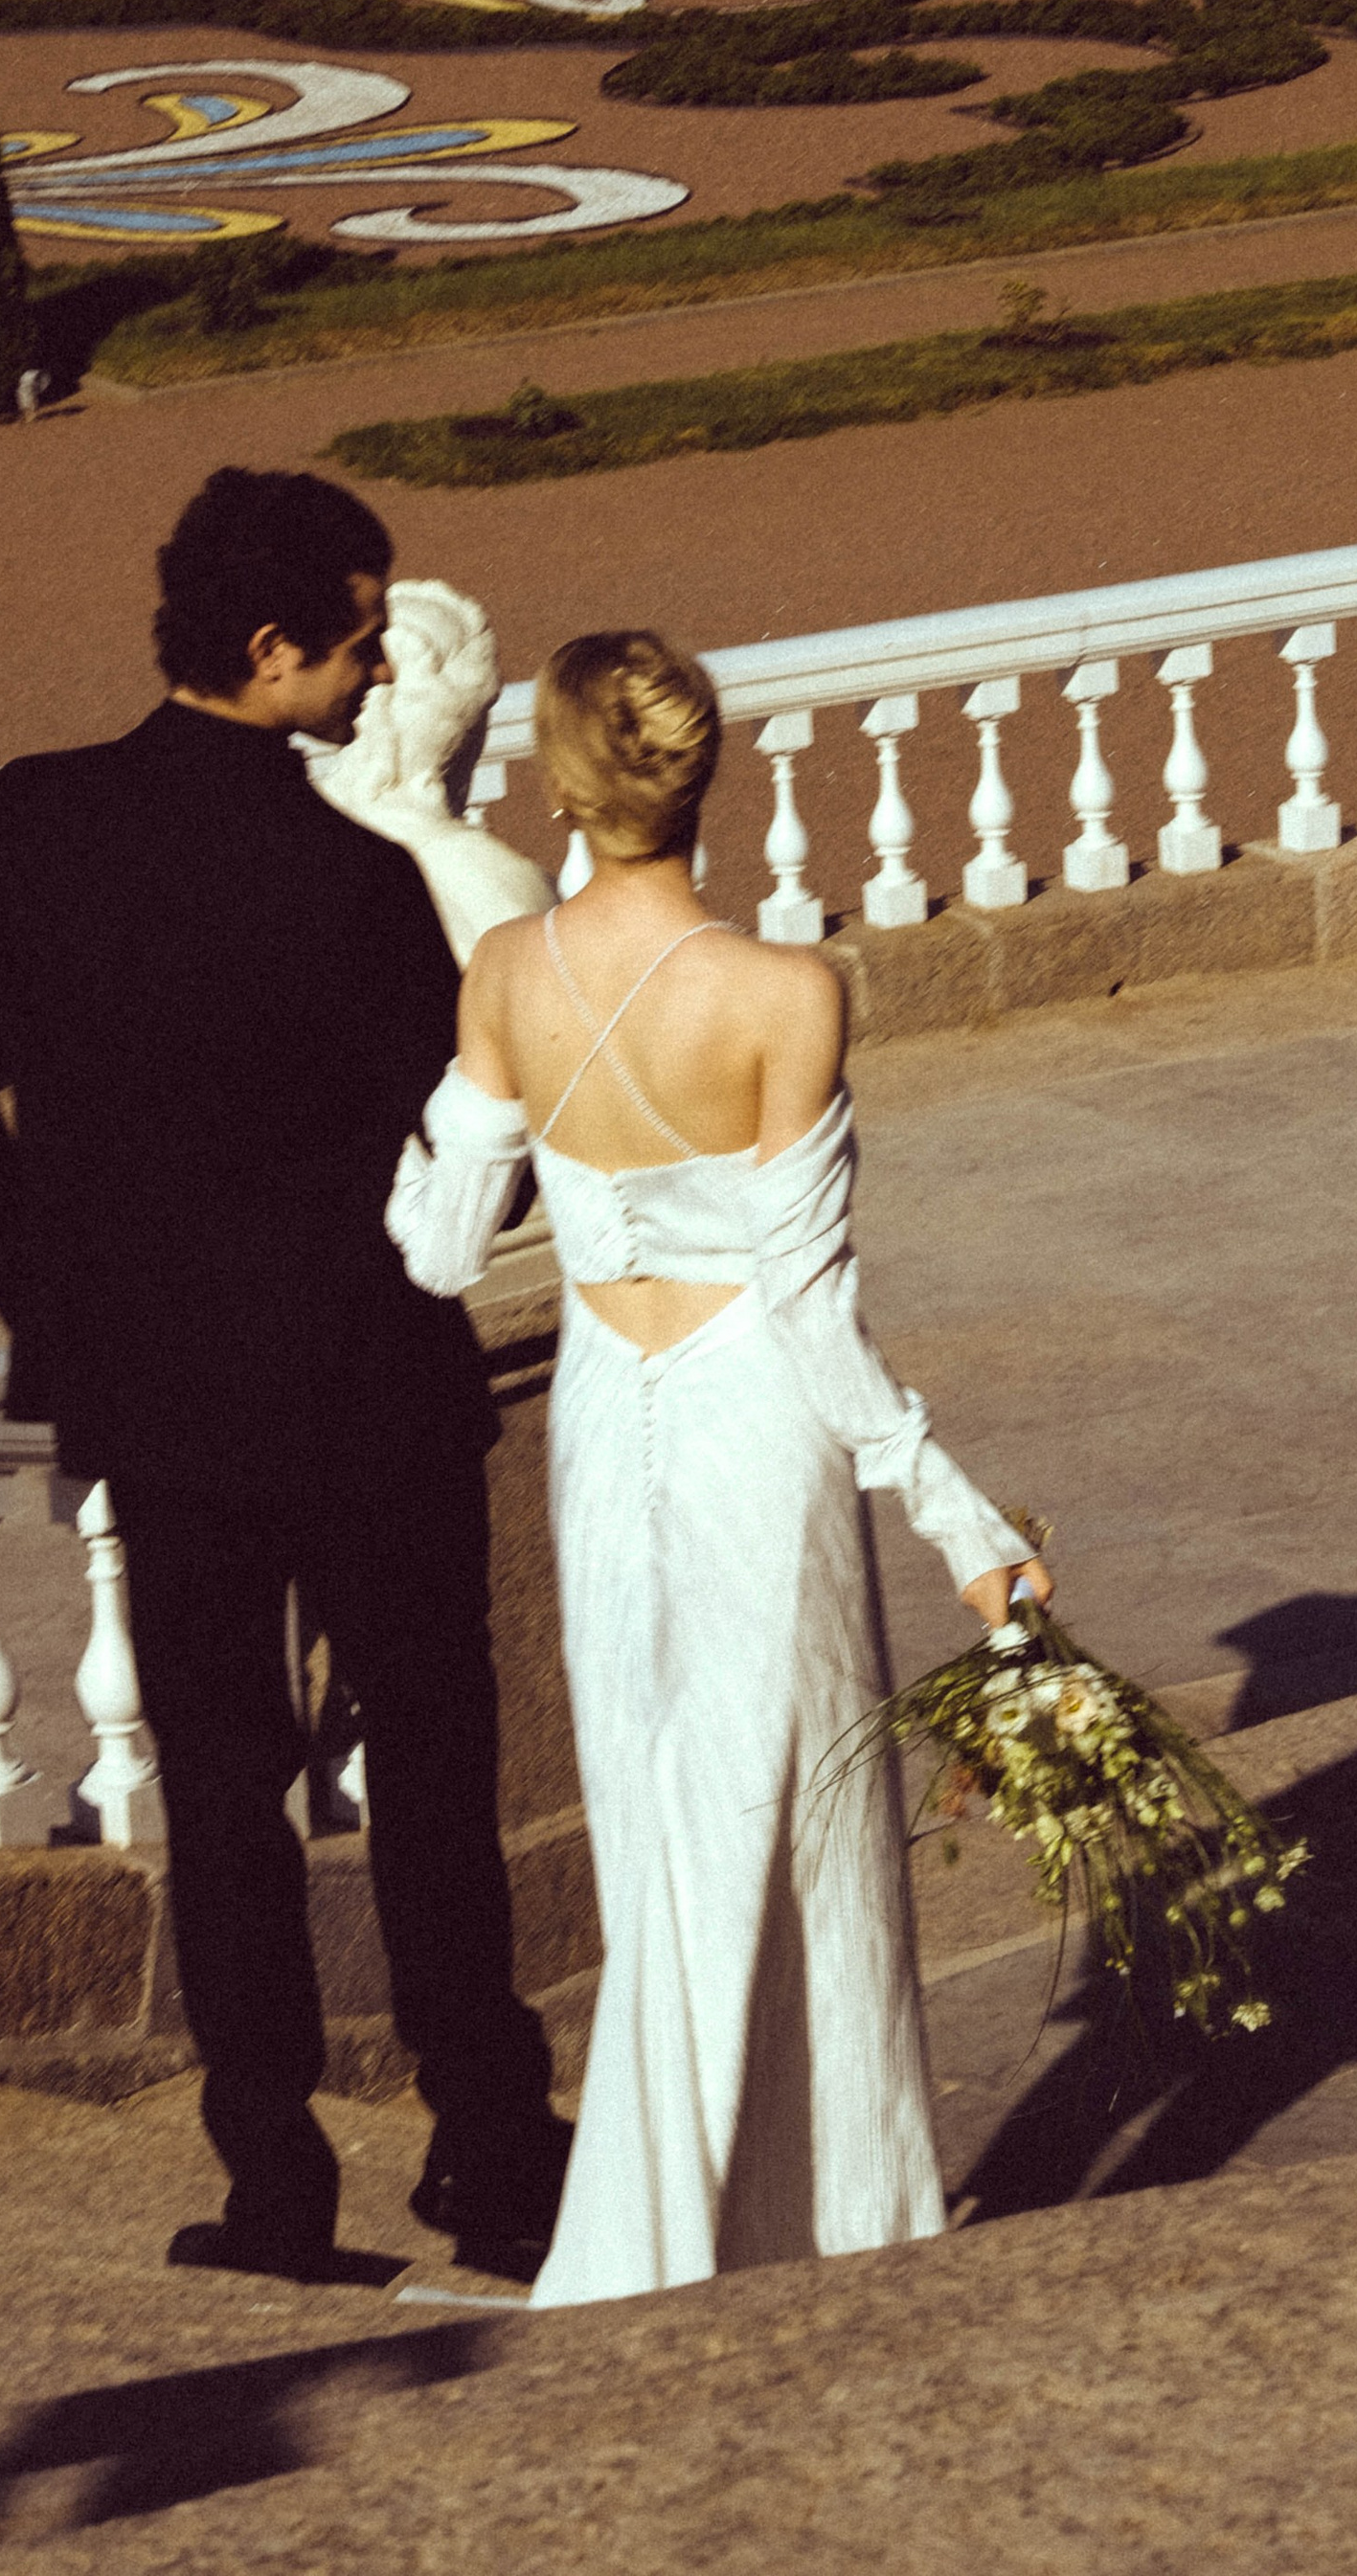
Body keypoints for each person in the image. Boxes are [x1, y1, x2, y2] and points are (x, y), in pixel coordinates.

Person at [0, 466, 567, 2286]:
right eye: (352, 648)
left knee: (220, 1793)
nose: (369, 684)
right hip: (371, 1384)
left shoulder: (39, 816)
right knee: (430, 1770)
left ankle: (273, 2187)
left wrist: (69, 1306)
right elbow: (485, 1111)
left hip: (162, 1406)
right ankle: (492, 2155)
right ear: (268, 650)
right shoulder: (365, 848)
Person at [385, 626, 1049, 2309]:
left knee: (658, 1830)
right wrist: (961, 1524)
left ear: (555, 783)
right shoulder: (785, 995)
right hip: (755, 1424)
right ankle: (826, 2230)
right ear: (706, 775)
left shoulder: (506, 979)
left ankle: (688, 2235)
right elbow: (814, 1318)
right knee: (808, 1830)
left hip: (616, 1422)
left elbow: (444, 1249)